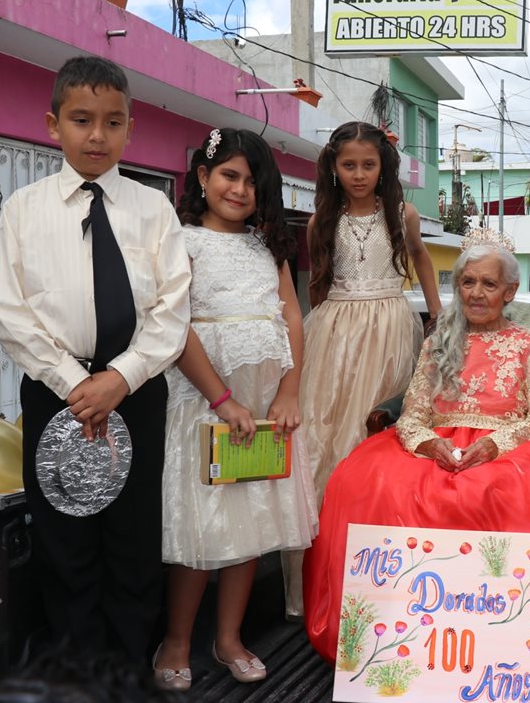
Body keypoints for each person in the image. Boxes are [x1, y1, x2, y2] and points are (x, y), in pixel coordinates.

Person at [302, 241, 530, 675]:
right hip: (436, 442)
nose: (477, 293)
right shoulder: (438, 339)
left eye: (489, 283)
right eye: (468, 282)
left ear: (510, 292)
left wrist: (496, 444)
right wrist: (427, 444)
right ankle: (397, 637)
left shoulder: (525, 344)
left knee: (529, 494)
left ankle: (501, 642)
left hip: (509, 447)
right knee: (361, 481)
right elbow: (413, 414)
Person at [0, 56, 192, 664]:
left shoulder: (154, 209)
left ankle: (129, 664)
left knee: (131, 538)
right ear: (54, 125)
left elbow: (171, 309)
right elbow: (10, 310)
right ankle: (78, 666)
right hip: (57, 390)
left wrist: (120, 379)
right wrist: (79, 383)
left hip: (137, 388)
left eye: (112, 122)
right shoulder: (23, 209)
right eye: (82, 120)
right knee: (65, 534)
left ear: (131, 130)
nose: (97, 135)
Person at [152, 129, 318, 691]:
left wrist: (290, 390)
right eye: (228, 175)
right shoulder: (180, 242)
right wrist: (223, 400)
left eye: (251, 181)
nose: (240, 189)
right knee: (201, 527)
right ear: (202, 177)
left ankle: (229, 638)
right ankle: (176, 641)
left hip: (264, 412)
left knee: (249, 526)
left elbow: (292, 318)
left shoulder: (266, 248)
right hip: (204, 406)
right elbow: (174, 328)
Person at [284, 121, 442, 615]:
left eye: (367, 165)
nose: (357, 174)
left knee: (377, 438)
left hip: (390, 329)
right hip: (332, 333)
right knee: (321, 444)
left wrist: (437, 315)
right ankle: (316, 584)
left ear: (383, 167)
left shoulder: (403, 214)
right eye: (348, 165)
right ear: (333, 167)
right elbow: (317, 285)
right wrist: (312, 337)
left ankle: (383, 579)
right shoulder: (319, 221)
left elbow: (421, 258)